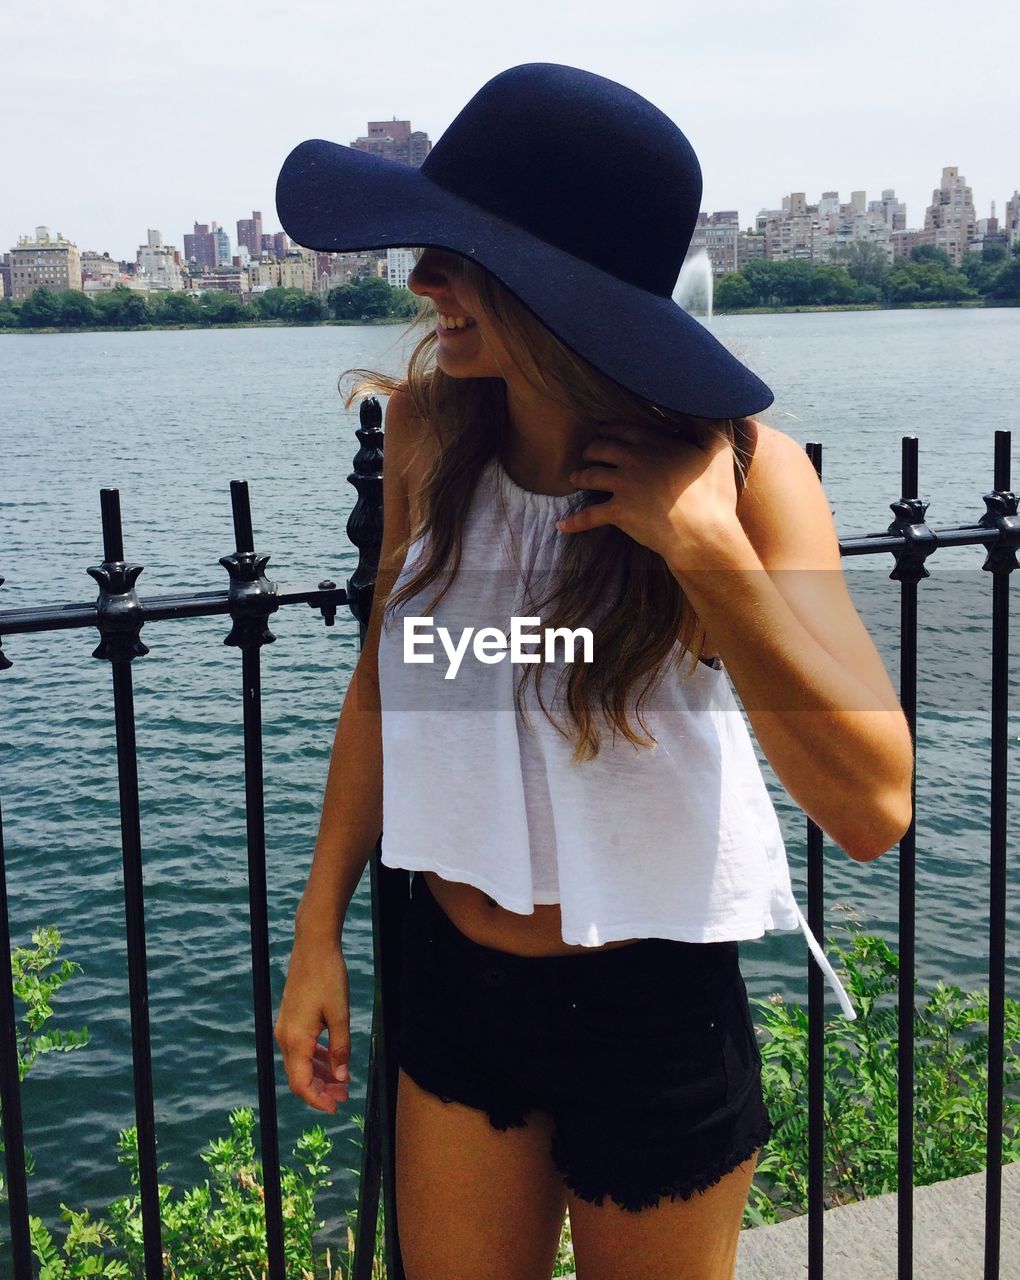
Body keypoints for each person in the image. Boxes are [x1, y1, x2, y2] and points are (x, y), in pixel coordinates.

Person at [272, 63, 915, 1280]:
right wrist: (319, 933)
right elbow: (385, 686)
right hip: (455, 985)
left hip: (654, 1011)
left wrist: (707, 549)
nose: (421, 285)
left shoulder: (748, 474)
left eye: (459, 256)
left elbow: (874, 806)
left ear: (557, 291)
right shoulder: (427, 434)